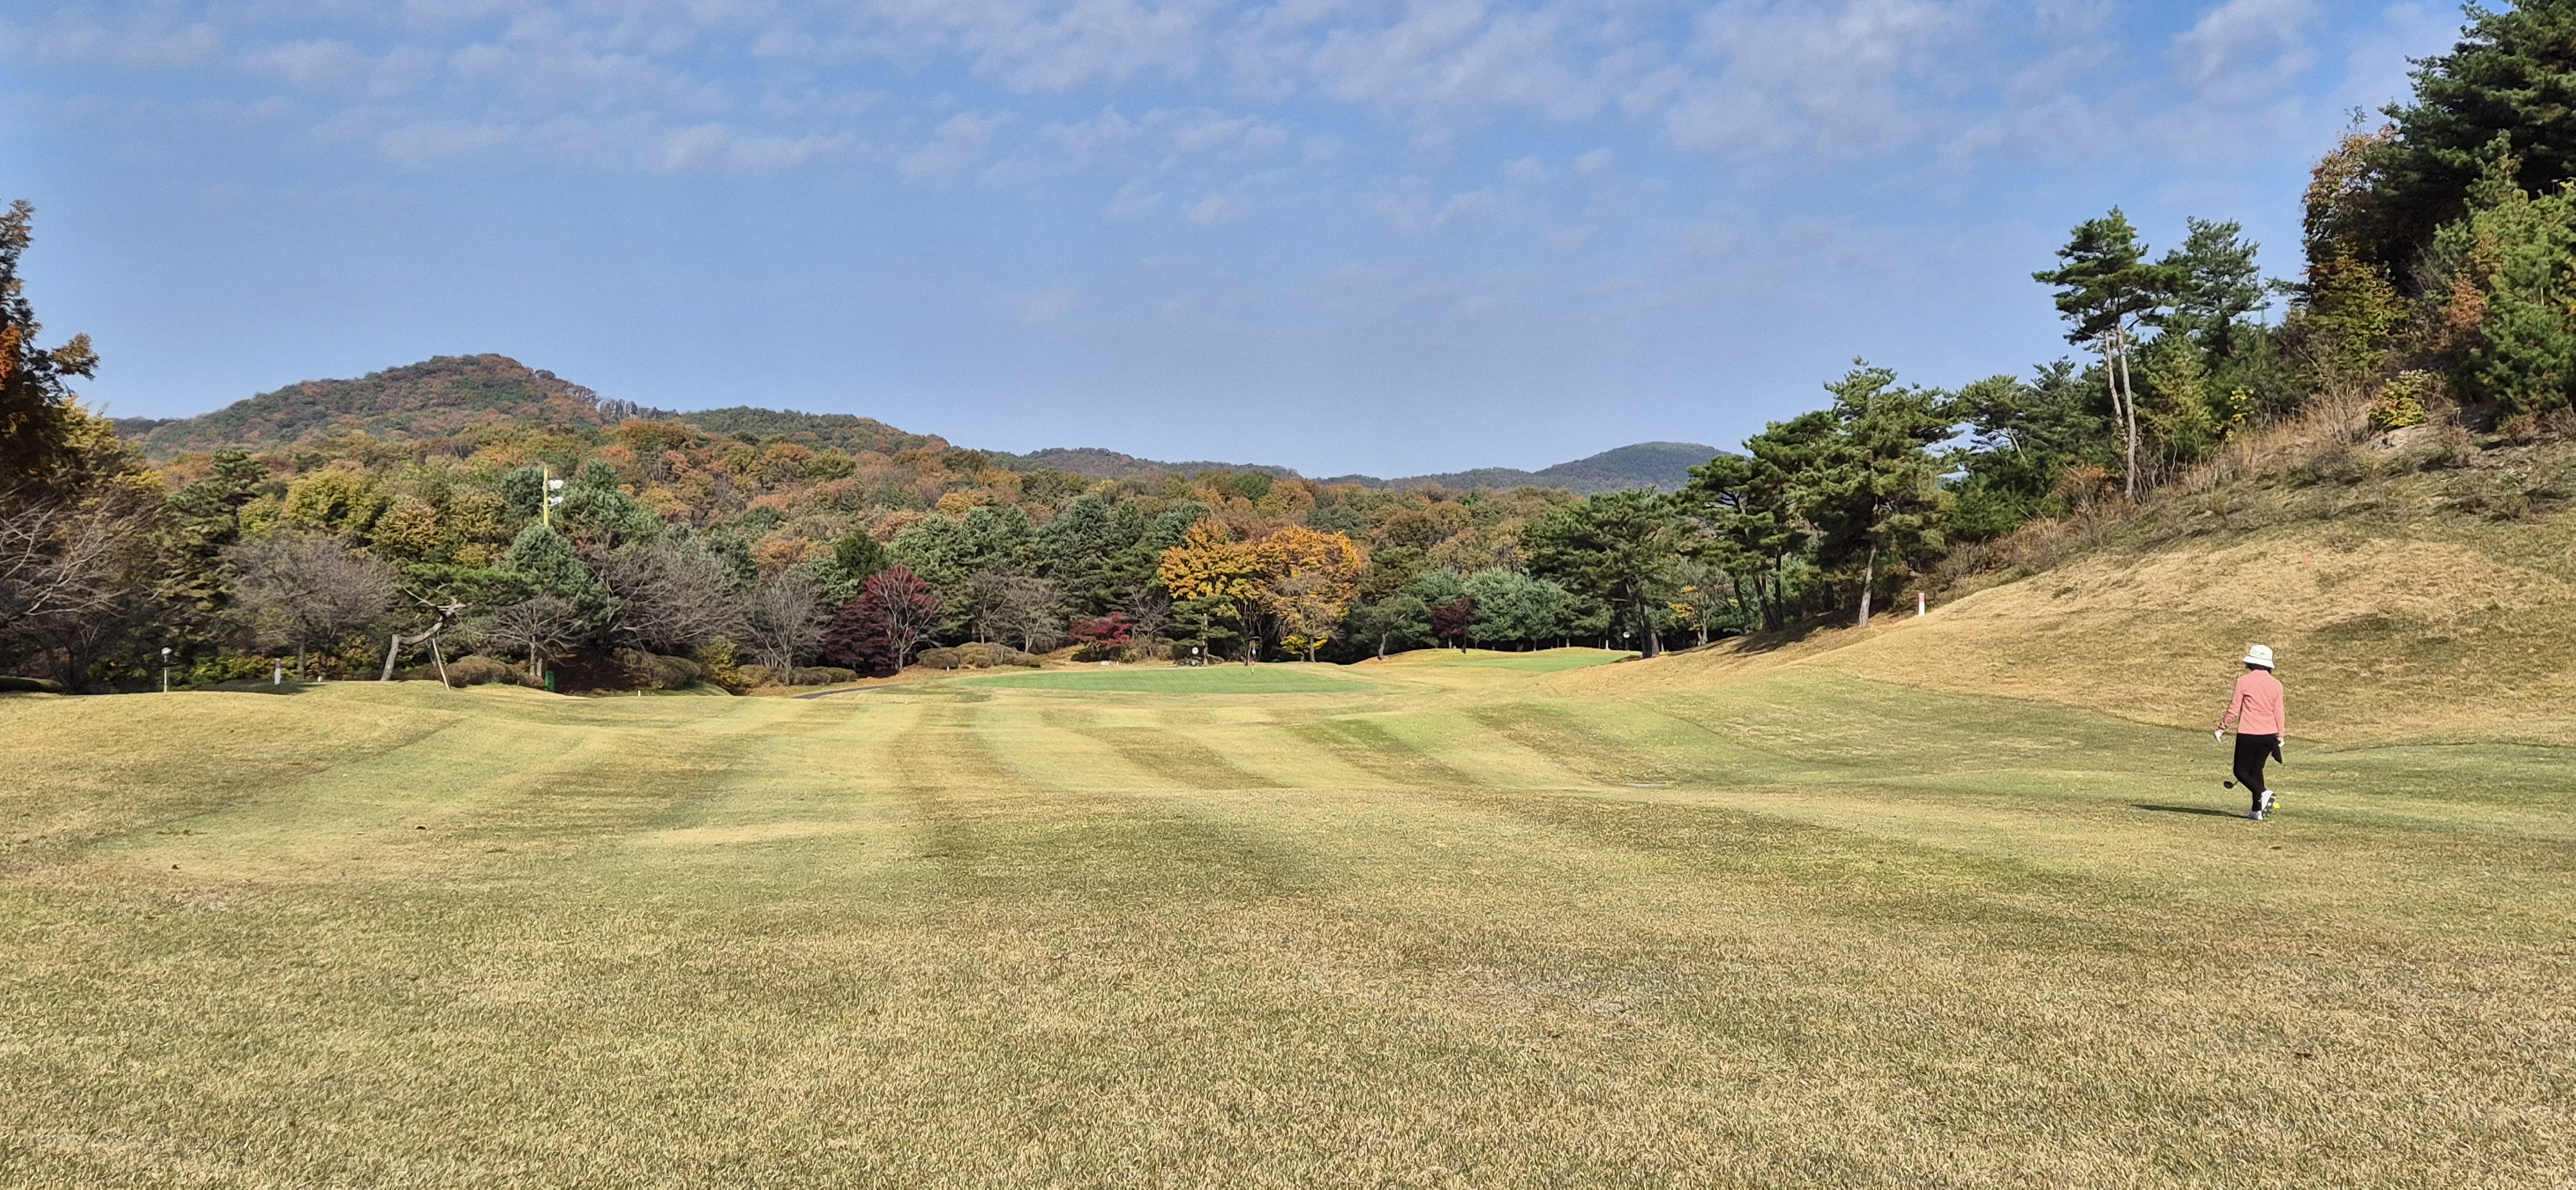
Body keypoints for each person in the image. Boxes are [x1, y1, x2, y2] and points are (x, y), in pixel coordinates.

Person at [2215, 645, 2286, 820]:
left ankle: (2264, 793)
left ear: (2251, 663)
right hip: (2269, 735)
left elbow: (2234, 709)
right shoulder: (2276, 684)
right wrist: (2281, 735)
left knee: (2241, 772)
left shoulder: (2244, 682)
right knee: (2256, 770)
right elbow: (2279, 711)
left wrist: (2222, 727)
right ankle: (2257, 810)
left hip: (2249, 734)